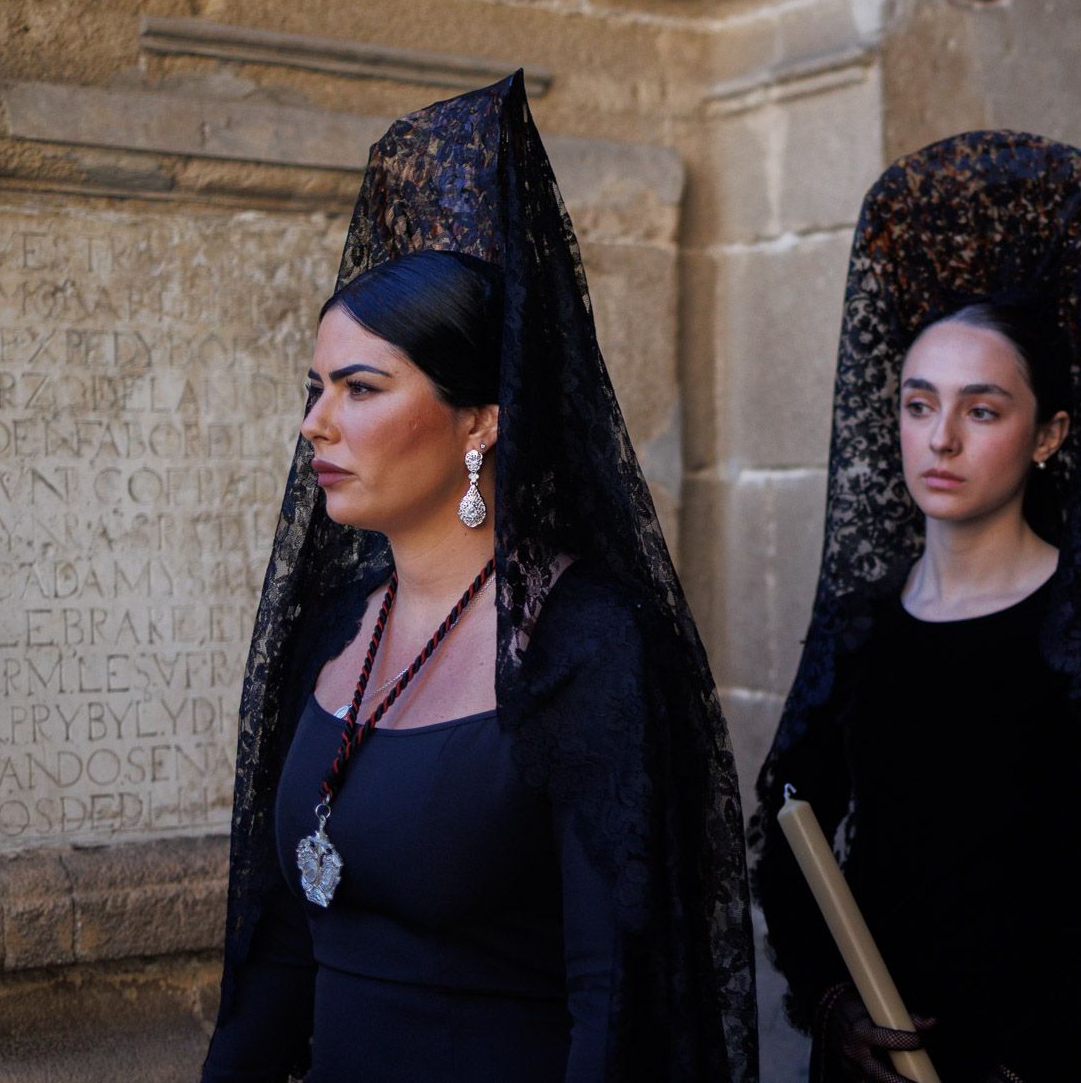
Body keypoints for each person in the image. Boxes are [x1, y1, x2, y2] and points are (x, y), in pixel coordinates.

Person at [200, 73, 756, 1083]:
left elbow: (612, 999)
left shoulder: (585, 647)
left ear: (481, 418)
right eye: (315, 388)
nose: (315, 423)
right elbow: (279, 955)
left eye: (361, 388)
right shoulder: (336, 628)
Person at [750, 132, 1081, 1082]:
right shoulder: (866, 621)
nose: (940, 439)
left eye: (982, 410)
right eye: (919, 405)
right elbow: (788, 818)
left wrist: (1027, 1060)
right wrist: (836, 1005)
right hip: (879, 1054)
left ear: (1050, 435)